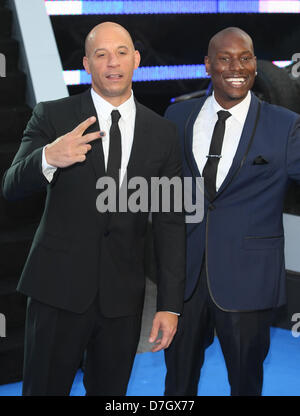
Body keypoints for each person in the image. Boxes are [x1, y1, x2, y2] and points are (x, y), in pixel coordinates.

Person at [2, 22, 185, 396]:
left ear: (136, 59)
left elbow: (171, 221)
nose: (112, 62)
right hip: (57, 291)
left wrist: (170, 305)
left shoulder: (163, 133)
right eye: (100, 54)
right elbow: (11, 186)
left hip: (123, 298)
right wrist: (47, 158)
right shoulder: (52, 116)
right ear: (87, 63)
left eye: (120, 52)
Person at [164, 27, 300, 396]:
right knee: (177, 383)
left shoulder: (284, 125)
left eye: (245, 57)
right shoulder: (177, 118)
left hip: (248, 283)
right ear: (208, 65)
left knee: (245, 383)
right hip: (186, 284)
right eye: (225, 58)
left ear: (255, 63)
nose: (236, 66)